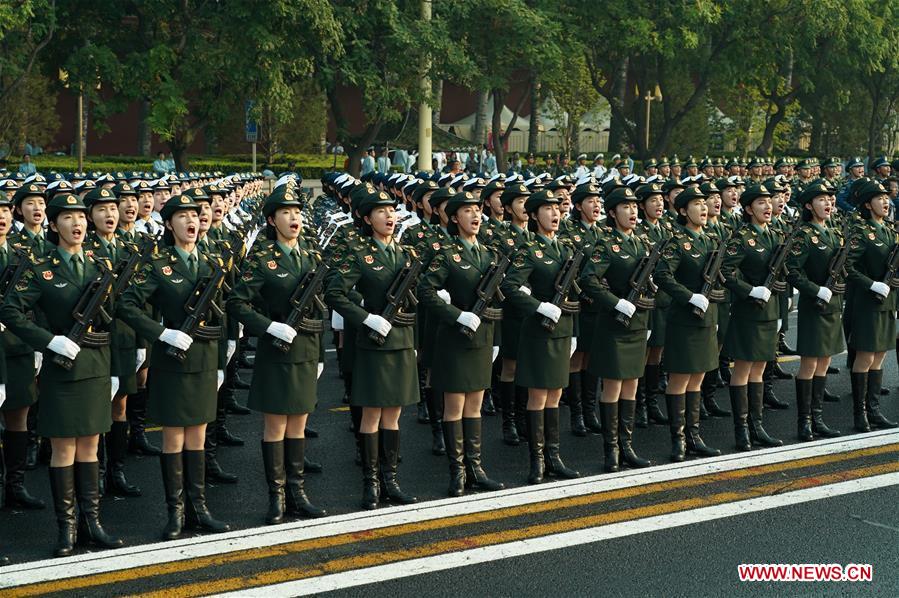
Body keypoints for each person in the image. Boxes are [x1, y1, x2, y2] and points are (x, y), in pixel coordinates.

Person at [1, 193, 122, 557]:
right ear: (54, 226)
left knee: (90, 445)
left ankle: (92, 522)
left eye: (80, 217)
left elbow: (112, 318)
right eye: (67, 218)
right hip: (62, 369)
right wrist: (48, 341)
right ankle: (66, 528)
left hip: (95, 367)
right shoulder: (41, 267)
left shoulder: (100, 265)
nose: (77, 224)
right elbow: (10, 310)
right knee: (64, 447)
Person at [117, 192, 231, 540]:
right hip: (171, 360)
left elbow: (224, 309)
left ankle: (199, 507)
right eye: (182, 217)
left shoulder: (212, 262)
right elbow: (126, 304)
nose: (191, 221)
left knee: (198, 435)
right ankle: (176, 511)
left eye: (195, 215)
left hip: (204, 359)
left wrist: (223, 355)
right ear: (169, 224)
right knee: (173, 438)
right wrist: (160, 333)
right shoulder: (158, 264)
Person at [227, 187, 327, 523]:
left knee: (298, 424)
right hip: (276, 349)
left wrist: (321, 352)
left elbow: (320, 306)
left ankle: (297, 492)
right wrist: (268, 326)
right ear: (272, 220)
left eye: (297, 211)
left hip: (306, 349)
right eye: (285, 212)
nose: (294, 217)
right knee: (275, 426)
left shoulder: (311, 255)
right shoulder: (262, 257)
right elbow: (236, 303)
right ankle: (277, 496)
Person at [325, 187, 419, 510]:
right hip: (374, 342)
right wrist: (365, 317)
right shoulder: (358, 252)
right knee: (372, 414)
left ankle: (390, 479)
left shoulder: (406, 254)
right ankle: (372, 482)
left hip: (401, 341)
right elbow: (336, 292)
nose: (389, 216)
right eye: (380, 211)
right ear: (367, 218)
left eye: (392, 210)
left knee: (394, 414)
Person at [418, 189, 505, 496]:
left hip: (481, 338)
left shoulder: (489, 253)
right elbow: (425, 292)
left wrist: (496, 337)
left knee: (475, 407)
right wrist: (456, 314)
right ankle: (457, 472)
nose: (475, 215)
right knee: (454, 407)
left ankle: (476, 468)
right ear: (454, 218)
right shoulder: (446, 253)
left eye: (477, 210)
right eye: (467, 211)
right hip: (454, 339)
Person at [501, 189, 580, 484]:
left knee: (556, 394)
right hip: (538, 331)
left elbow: (574, 293)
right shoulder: (528, 249)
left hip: (562, 331)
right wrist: (538, 307)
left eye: (557, 208)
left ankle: (554, 456)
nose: (555, 213)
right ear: (533, 216)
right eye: (547, 209)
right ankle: (537, 460)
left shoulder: (566, 249)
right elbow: (510, 286)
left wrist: (575, 332)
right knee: (538, 394)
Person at [579, 187, 653, 472]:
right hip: (613, 323)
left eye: (635, 206)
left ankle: (627, 444)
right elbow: (589, 280)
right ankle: (611, 450)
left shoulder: (642, 243)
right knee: (612, 386)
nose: (633, 212)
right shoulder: (606, 244)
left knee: (632, 384)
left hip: (637, 323)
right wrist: (615, 303)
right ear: (612, 213)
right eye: (625, 207)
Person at [82, 186, 142, 497]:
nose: (110, 214)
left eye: (112, 208)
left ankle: (116, 471)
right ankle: (99, 473)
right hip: (95, 340)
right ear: (90, 216)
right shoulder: (86, 250)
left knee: (121, 405)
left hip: (125, 338)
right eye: (102, 209)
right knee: (97, 407)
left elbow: (142, 302)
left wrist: (143, 341)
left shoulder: (131, 248)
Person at [653, 187, 722, 461]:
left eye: (704, 204)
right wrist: (689, 297)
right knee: (680, 378)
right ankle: (678, 439)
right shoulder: (677, 242)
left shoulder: (711, 240)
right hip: (683, 319)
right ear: (682, 211)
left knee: (698, 376)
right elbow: (663, 275)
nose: (703, 208)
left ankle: (694, 435)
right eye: (696, 204)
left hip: (707, 318)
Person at [721, 185, 784, 452]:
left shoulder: (776, 236)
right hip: (748, 312)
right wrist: (750, 290)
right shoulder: (741, 238)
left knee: (759, 368)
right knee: (744, 368)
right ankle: (741, 430)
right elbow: (725, 272)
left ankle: (757, 426)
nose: (767, 207)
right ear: (748, 209)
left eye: (769, 202)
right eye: (760, 203)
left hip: (769, 312)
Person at [785, 182, 843, 441]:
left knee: (825, 360)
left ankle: (818, 417)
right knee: (809, 363)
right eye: (821, 200)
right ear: (809, 206)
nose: (828, 203)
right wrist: (815, 290)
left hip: (832, 306)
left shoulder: (834, 233)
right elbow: (793, 271)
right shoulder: (804, 235)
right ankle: (804, 421)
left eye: (829, 199)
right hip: (814, 305)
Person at [0, 193, 45, 515]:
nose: (0, 215)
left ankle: (14, 487)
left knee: (19, 414)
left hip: (17, 345)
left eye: (3, 209)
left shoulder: (21, 251)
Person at [845, 180, 899, 431]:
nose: (885, 202)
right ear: (867, 205)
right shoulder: (861, 232)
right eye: (879, 199)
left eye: (886, 197)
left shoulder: (890, 231)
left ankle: (874, 409)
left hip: (888, 301)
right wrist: (871, 285)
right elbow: (848, 267)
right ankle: (860, 413)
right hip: (868, 302)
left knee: (879, 356)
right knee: (865, 356)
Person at [560, 182, 607, 436]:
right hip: (581, 304)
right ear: (578, 206)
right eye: (590, 201)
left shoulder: (604, 232)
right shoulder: (569, 233)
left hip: (600, 304)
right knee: (577, 358)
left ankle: (591, 412)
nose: (596, 205)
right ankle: (577, 415)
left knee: (593, 358)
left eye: (598, 200)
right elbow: (570, 272)